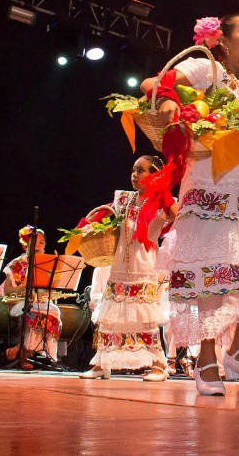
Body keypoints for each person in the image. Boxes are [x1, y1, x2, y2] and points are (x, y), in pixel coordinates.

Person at [141, 14, 239, 396]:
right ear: (223, 40)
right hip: (217, 181)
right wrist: (166, 99)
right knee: (214, 274)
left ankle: (236, 349)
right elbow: (153, 82)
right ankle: (207, 358)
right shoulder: (205, 68)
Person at [79, 155, 175, 381]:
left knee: (144, 316)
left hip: (145, 266)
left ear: (154, 174)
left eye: (142, 171)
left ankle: (159, 365)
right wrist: (85, 227)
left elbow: (177, 216)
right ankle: (102, 363)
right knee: (110, 315)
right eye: (134, 170)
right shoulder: (124, 199)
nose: (136, 175)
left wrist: (162, 191)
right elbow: (103, 215)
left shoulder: (161, 199)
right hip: (120, 265)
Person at [0, 227, 61, 365]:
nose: (38, 246)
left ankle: (27, 351)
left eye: (42, 242)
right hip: (19, 303)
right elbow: (7, 290)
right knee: (32, 310)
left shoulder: (49, 264)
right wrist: (27, 289)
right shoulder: (17, 263)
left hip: (41, 302)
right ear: (26, 244)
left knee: (54, 310)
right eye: (34, 242)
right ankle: (25, 355)